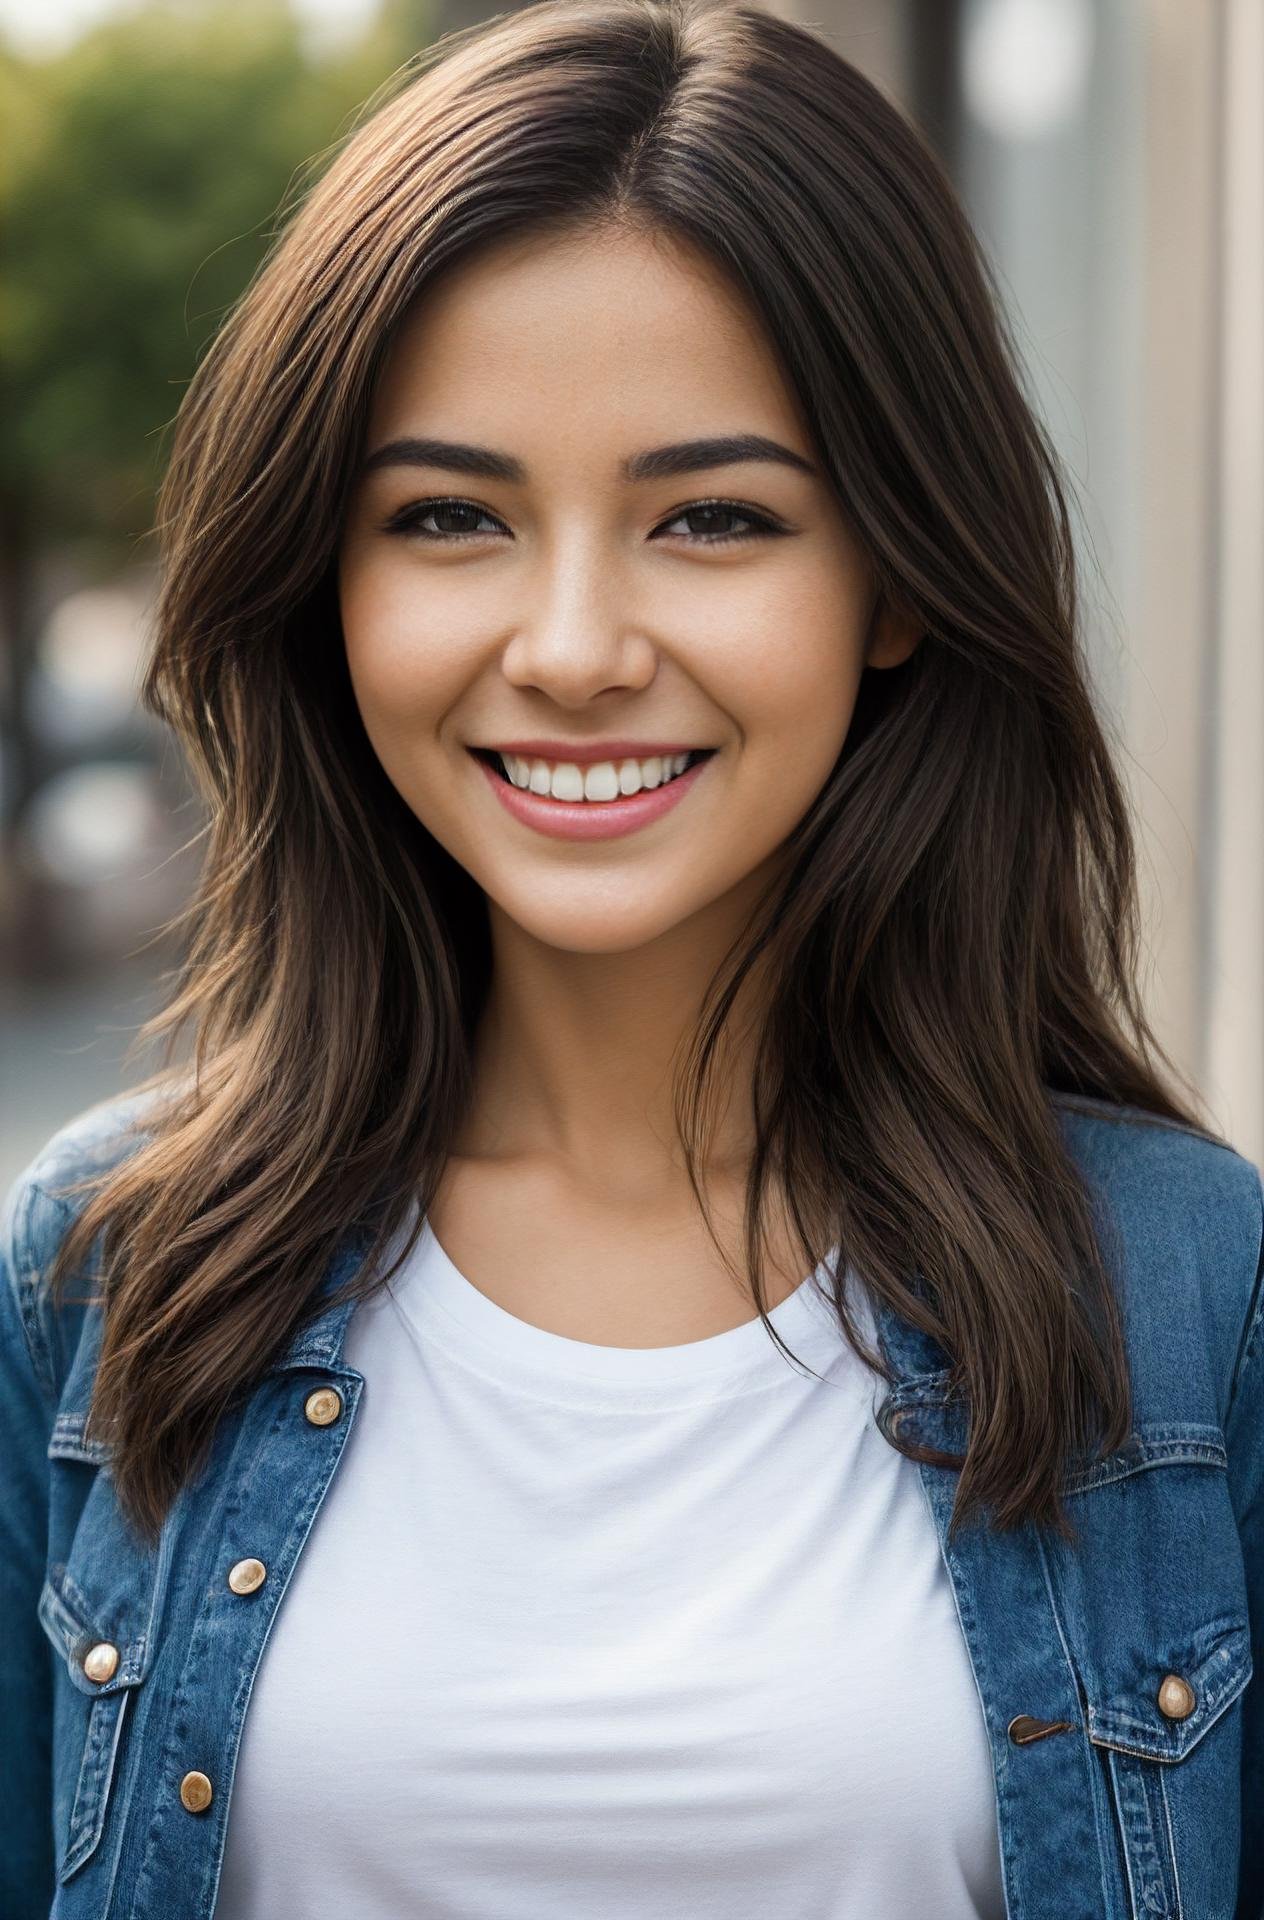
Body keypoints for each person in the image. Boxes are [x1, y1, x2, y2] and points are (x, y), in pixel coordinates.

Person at [2, 1, 1261, 1915]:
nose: (575, 644)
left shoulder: (1187, 1291)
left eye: (712, 517)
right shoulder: (103, 1281)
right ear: (327, 583)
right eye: (449, 517)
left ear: (901, 578)